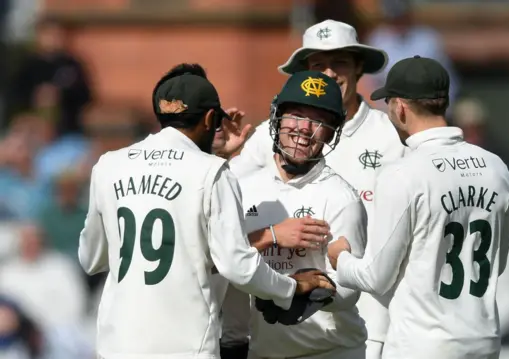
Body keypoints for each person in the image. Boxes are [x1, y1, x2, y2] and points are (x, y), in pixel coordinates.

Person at [77, 63, 335, 359]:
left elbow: (90, 258)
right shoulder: (211, 172)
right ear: (211, 118)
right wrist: (292, 287)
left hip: (116, 345)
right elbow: (237, 266)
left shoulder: (109, 165)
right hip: (185, 347)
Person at [226, 19, 407, 359]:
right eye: (317, 64)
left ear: (357, 68)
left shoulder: (391, 136)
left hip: (376, 323)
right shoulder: (274, 133)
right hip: (277, 331)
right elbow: (222, 203)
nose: (328, 73)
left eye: (338, 62)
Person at [327, 56, 509, 359]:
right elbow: (497, 263)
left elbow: (377, 277)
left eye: (388, 104)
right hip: (484, 341)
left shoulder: (403, 174)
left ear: (400, 107)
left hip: (423, 345)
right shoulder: (496, 167)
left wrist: (341, 259)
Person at [216, 71, 368, 359]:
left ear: (331, 132)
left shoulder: (341, 198)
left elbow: (350, 292)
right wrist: (273, 236)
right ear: (278, 119)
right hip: (262, 351)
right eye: (296, 115)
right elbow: (218, 256)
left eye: (318, 121)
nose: (304, 129)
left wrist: (303, 294)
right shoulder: (243, 186)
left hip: (331, 350)